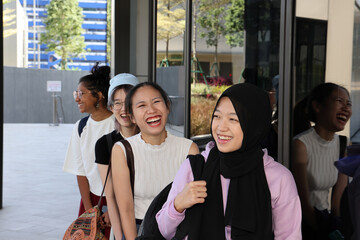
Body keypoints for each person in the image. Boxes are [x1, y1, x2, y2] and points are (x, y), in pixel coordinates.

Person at [156, 83, 302, 239]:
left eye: (233, 119)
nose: (220, 127)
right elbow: (164, 231)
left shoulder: (279, 178)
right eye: (217, 116)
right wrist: (178, 205)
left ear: (254, 125)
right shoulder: (195, 168)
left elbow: (289, 236)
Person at [111, 82, 199, 240]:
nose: (151, 110)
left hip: (177, 231)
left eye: (157, 102)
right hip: (139, 231)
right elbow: (125, 209)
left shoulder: (189, 149)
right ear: (131, 116)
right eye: (141, 105)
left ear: (167, 107)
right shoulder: (122, 150)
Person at [291, 82, 352, 239]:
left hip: (325, 220)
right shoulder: (301, 144)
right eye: (339, 101)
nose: (346, 108)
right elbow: (302, 203)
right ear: (317, 106)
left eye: (349, 104)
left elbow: (337, 202)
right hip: (301, 223)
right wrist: (326, 232)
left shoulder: (343, 144)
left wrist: (337, 226)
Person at [63, 63, 114, 238]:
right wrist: (89, 210)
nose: (77, 98)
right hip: (91, 200)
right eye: (76, 93)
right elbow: (81, 171)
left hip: (119, 199)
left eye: (81, 93)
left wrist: (114, 210)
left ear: (99, 95)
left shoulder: (119, 125)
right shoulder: (81, 127)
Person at [95, 73, 140, 239]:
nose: (124, 109)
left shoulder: (151, 139)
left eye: (129, 102)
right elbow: (111, 196)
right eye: (118, 103)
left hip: (155, 218)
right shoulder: (104, 145)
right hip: (123, 221)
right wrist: (120, 235)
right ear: (111, 107)